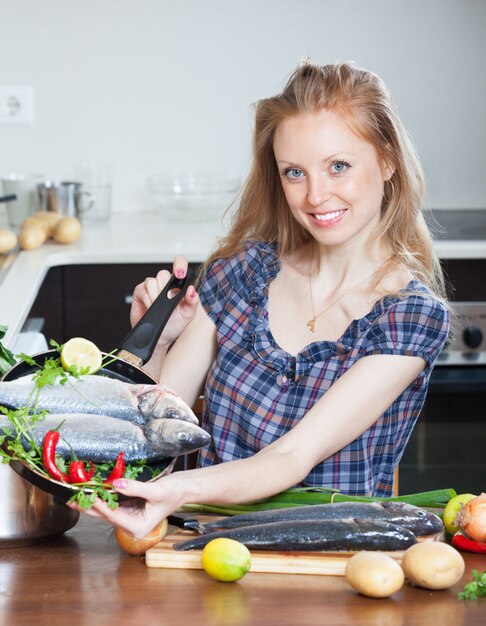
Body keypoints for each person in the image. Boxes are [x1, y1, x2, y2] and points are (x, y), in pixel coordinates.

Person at [74, 61, 450, 538]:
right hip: (202, 546)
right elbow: (156, 428)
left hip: (330, 563)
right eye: (295, 172)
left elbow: (292, 456)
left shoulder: (409, 317)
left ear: (388, 161)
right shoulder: (244, 272)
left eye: (339, 166)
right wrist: (159, 343)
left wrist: (178, 490)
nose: (316, 196)